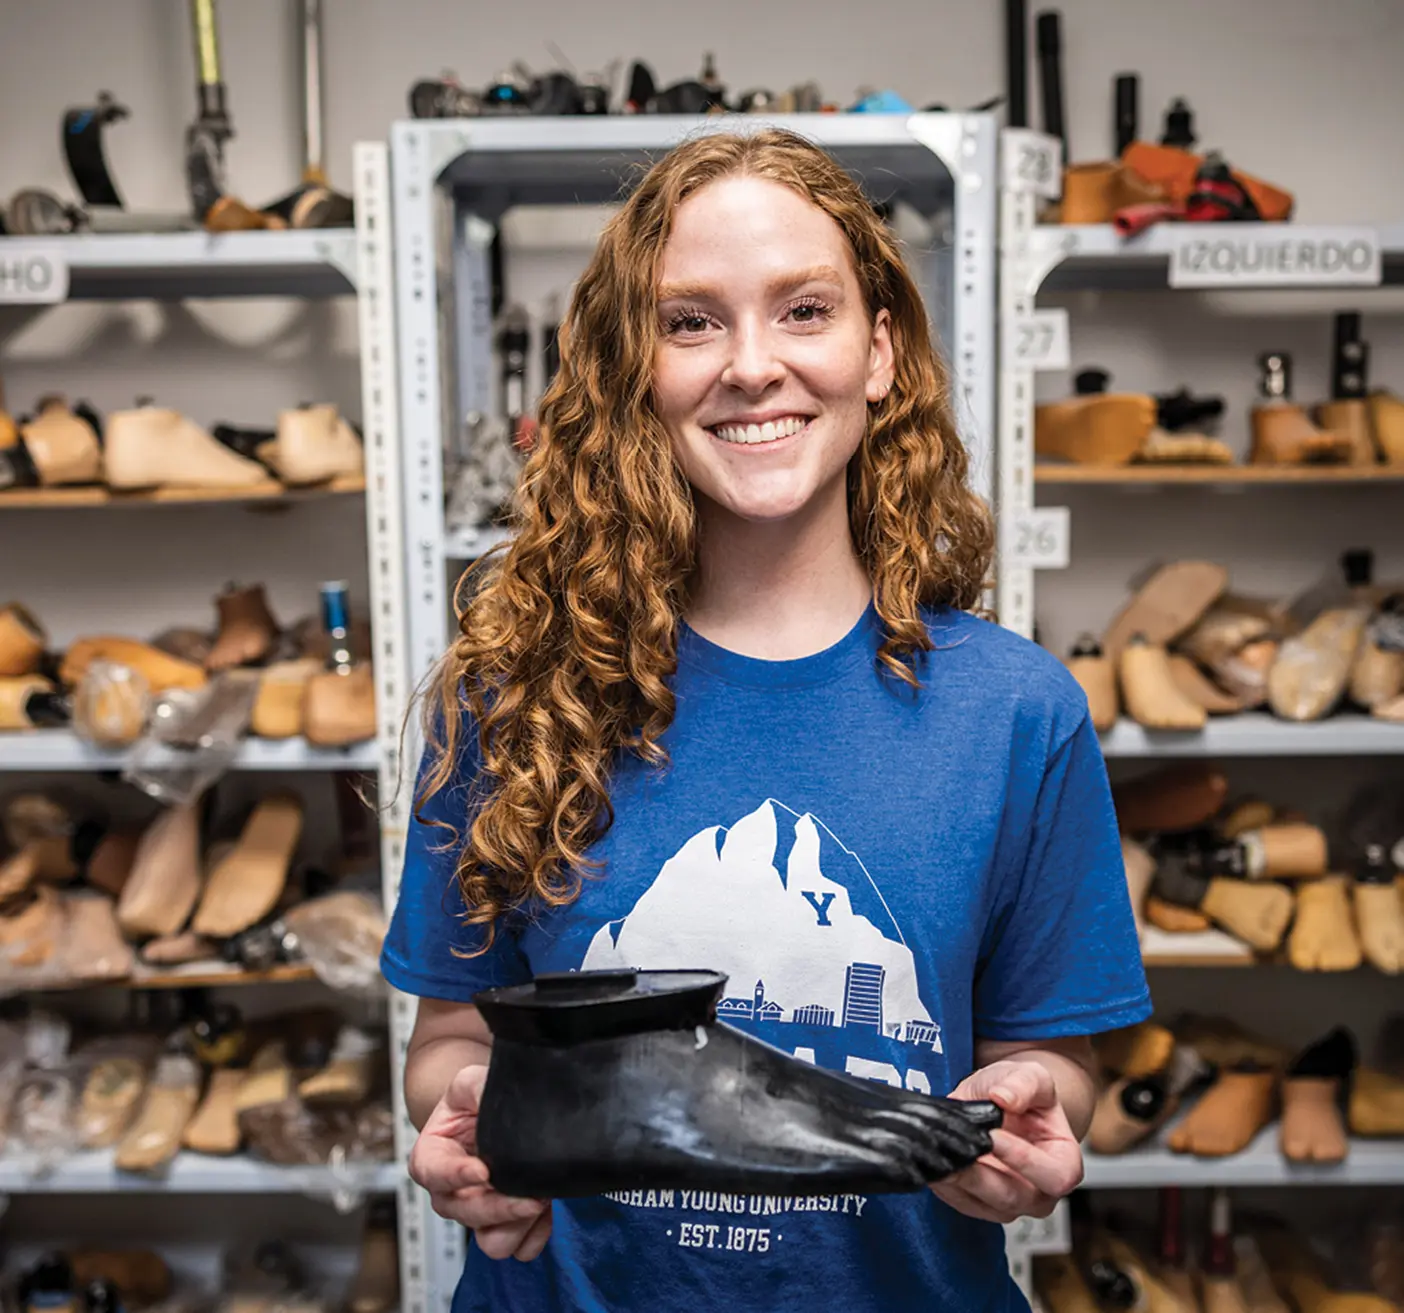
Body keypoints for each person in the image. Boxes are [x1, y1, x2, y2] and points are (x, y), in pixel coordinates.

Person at [381, 127, 1150, 1313]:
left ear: (880, 349)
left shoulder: (1015, 710)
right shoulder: (509, 697)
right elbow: (449, 1036)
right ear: (635, 366)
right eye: (691, 321)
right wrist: (465, 1121)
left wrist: (1034, 1103)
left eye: (804, 310)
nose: (752, 365)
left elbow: (1055, 1051)